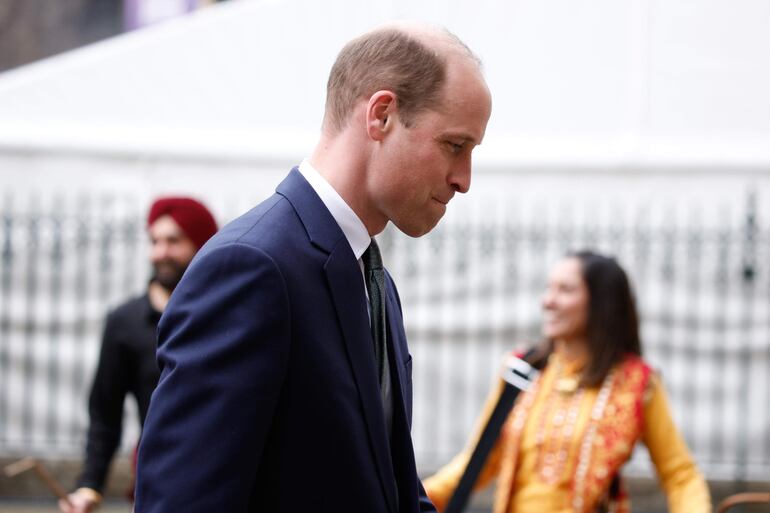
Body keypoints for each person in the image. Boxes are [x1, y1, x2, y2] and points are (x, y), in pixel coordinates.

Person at [133, 22, 492, 513]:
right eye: (455, 145)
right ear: (381, 115)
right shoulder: (252, 268)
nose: (464, 179)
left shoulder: (374, 279)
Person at [424, 250, 712, 513]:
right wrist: (416, 496)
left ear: (602, 302)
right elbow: (478, 461)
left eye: (565, 290)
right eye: (549, 288)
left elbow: (680, 475)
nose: (547, 301)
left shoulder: (637, 383)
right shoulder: (522, 370)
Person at [60, 197, 218, 513]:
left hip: (220, 478)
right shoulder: (125, 321)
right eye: (155, 241)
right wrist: (89, 485)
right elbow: (105, 413)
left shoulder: (222, 315)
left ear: (201, 244)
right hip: (157, 481)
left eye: (173, 241)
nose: (160, 252)